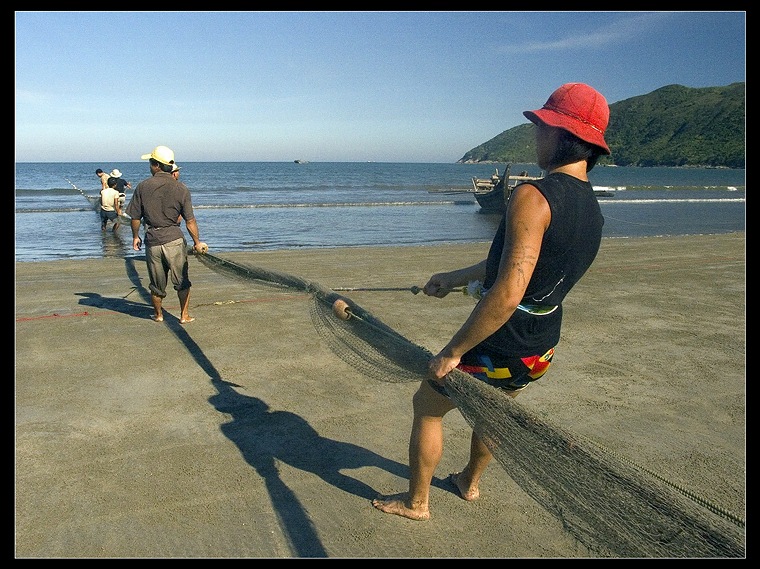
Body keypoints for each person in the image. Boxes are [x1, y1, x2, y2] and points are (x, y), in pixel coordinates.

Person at [372, 83, 610, 521]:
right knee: (495, 411)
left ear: (562, 134)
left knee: (427, 405)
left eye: (541, 127)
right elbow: (517, 263)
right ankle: (469, 483)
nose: (536, 136)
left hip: (499, 343)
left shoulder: (534, 196)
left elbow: (508, 290)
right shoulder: (592, 207)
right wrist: (454, 278)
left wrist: (452, 352)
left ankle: (416, 502)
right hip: (541, 347)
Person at [125, 145, 208, 324]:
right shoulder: (181, 188)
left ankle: (158, 315)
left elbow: (135, 217)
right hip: (175, 241)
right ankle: (184, 316)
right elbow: (190, 220)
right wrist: (197, 242)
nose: (149, 165)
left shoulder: (143, 187)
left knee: (156, 284)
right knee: (182, 282)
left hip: (153, 241)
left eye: (150, 162)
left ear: (156, 165)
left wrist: (135, 236)